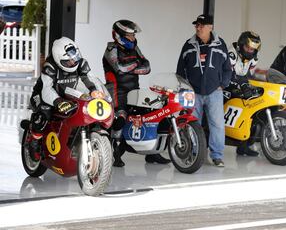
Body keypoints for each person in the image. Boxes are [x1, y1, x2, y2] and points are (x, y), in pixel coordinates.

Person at [103, 19, 170, 167]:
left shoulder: (135, 48)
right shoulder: (111, 50)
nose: (133, 38)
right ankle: (114, 153)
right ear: (119, 35)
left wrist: (132, 66)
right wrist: (136, 65)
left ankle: (152, 154)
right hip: (116, 91)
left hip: (134, 89)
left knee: (149, 114)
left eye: (133, 35)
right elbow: (120, 68)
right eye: (130, 35)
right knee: (120, 118)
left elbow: (147, 67)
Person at [28, 37, 98, 161]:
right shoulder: (50, 66)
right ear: (58, 59)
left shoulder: (80, 62)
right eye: (68, 61)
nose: (73, 62)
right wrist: (58, 101)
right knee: (44, 111)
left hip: (66, 95)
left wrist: (94, 90)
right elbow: (47, 90)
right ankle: (34, 140)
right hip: (42, 95)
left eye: (74, 58)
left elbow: (89, 78)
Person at [176, 14, 232, 167]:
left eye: (202, 25)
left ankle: (217, 156)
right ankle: (194, 153)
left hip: (215, 92)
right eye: (197, 25)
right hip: (192, 93)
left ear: (210, 27)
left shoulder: (221, 44)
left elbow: (228, 69)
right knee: (192, 125)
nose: (198, 28)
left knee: (218, 125)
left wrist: (223, 84)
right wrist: (184, 88)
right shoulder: (188, 45)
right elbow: (180, 70)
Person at [225, 31, 262, 157]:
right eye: (248, 47)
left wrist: (248, 86)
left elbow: (249, 75)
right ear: (241, 45)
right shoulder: (231, 53)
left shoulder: (254, 58)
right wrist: (242, 85)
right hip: (225, 84)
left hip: (239, 84)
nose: (250, 51)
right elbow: (227, 75)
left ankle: (243, 146)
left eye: (253, 49)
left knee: (250, 108)